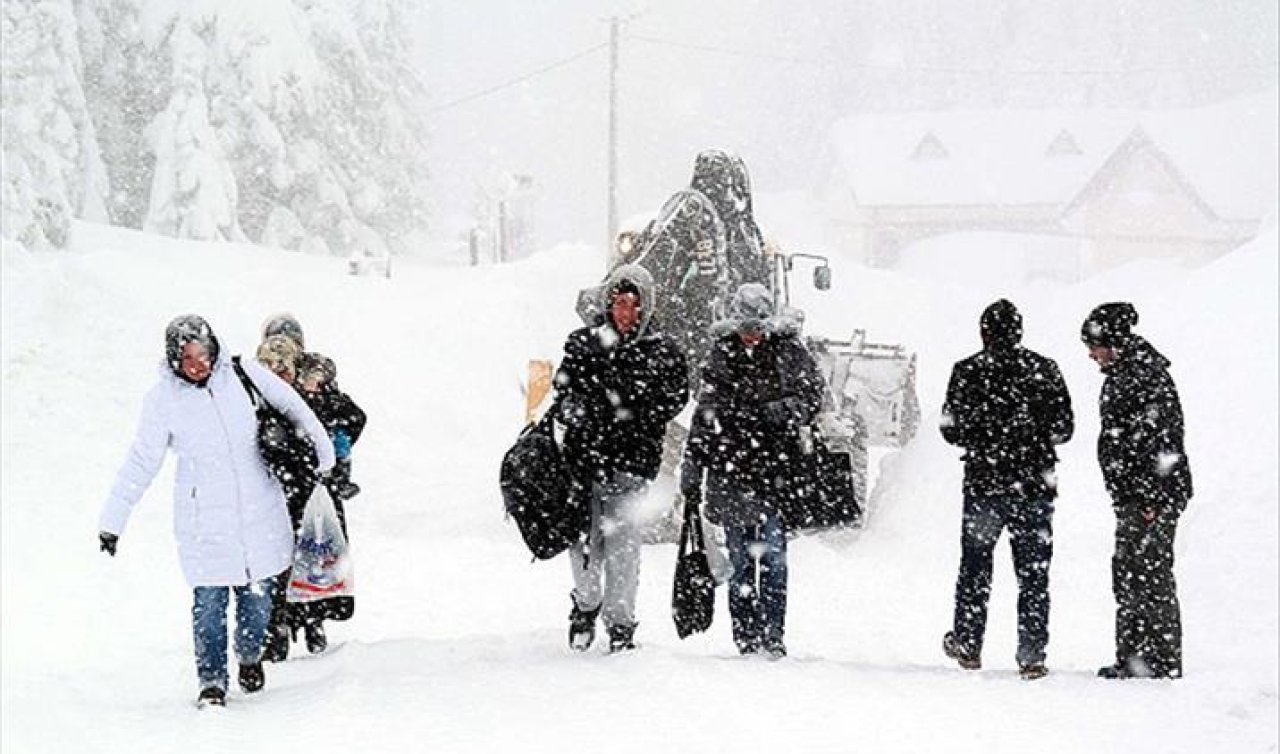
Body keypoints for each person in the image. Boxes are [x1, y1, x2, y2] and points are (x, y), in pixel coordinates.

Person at [97, 315, 334, 707]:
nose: (198, 365)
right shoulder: (162, 401)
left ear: (214, 349)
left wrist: (326, 458)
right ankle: (212, 682)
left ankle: (249, 656)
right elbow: (141, 462)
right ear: (174, 360)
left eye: (203, 354)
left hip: (259, 515)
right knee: (209, 607)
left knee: (258, 603)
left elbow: (296, 409)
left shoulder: (245, 374)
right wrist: (112, 521)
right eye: (187, 358)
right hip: (204, 524)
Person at [680, 283, 824, 659]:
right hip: (733, 473)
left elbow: (813, 397)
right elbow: (705, 417)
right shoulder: (721, 356)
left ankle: (772, 634)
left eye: (757, 327)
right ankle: (746, 635)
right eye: (746, 327)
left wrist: (782, 411)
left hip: (773, 472)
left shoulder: (790, 352)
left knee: (773, 559)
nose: (751, 335)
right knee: (741, 561)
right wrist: (693, 467)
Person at [555, 264, 689, 653]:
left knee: (623, 552)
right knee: (583, 549)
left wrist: (633, 411)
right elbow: (564, 394)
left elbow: (674, 398)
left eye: (633, 304)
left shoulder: (663, 352)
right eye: (619, 303)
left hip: (631, 467)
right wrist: (587, 412)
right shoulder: (583, 344)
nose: (625, 313)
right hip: (583, 467)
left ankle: (620, 624)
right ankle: (585, 605)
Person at [938, 299, 1074, 680]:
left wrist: (984, 438)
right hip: (1034, 486)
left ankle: (968, 644)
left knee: (975, 567)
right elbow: (1064, 428)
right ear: (1019, 332)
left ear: (984, 332)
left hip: (985, 484)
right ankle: (1032, 655)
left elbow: (950, 429)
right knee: (1033, 574)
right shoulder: (1045, 370)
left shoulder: (967, 371)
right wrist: (1031, 438)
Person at [1081, 302, 1192, 680]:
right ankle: (1136, 656)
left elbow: (1161, 439)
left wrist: (1149, 495)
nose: (1091, 355)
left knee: (1149, 573)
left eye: (1094, 346)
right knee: (1130, 571)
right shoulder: (1128, 375)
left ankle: (1158, 658)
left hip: (1149, 496)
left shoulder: (1144, 377)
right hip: (1135, 493)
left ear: (1113, 342)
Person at [254, 338, 366, 661]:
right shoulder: (258, 397)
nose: (278, 377)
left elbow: (354, 418)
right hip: (275, 493)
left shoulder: (310, 396)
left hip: (311, 493)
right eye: (270, 370)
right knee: (279, 563)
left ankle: (310, 621)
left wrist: (322, 398)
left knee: (312, 558)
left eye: (283, 370)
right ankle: (279, 627)